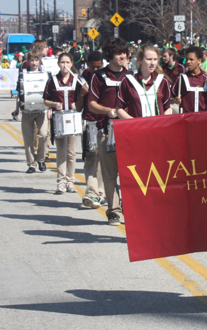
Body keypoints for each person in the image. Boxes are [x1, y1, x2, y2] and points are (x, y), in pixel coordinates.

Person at [89, 37, 129, 225]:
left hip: (128, 131)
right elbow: (91, 104)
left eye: (124, 53)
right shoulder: (98, 76)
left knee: (130, 173)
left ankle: (130, 208)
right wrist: (108, 111)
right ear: (110, 56)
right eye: (118, 53)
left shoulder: (131, 76)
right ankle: (113, 210)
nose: (123, 56)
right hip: (106, 130)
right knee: (110, 173)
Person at [42, 53, 79, 194]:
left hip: (73, 119)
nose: (65, 65)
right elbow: (45, 100)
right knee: (61, 150)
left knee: (71, 152)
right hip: (59, 119)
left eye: (67, 62)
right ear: (58, 64)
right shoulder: (52, 80)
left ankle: (71, 181)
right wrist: (54, 104)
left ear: (71, 64)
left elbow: (83, 99)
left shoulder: (76, 80)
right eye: (62, 62)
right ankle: (61, 181)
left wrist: (77, 104)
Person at [75, 50, 106, 209]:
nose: (97, 70)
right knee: (90, 158)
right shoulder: (81, 80)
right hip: (89, 122)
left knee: (102, 160)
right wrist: (82, 94)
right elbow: (78, 107)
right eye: (94, 67)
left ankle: (100, 193)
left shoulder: (104, 77)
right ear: (88, 65)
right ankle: (92, 192)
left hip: (103, 123)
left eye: (100, 66)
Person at [116, 45, 171, 118]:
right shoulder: (128, 81)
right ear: (140, 60)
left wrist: (164, 122)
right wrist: (134, 122)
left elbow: (167, 108)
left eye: (155, 59)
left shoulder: (162, 81)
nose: (152, 63)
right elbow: (119, 109)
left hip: (158, 127)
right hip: (137, 128)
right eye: (149, 59)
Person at [19, 51, 49, 173]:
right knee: (28, 139)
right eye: (32, 60)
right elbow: (20, 91)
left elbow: (48, 92)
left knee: (43, 134)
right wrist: (17, 108)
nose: (34, 63)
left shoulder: (45, 75)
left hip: (41, 111)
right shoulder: (23, 75)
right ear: (28, 61)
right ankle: (31, 164)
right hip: (27, 111)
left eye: (36, 60)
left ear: (39, 61)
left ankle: (41, 159)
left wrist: (49, 109)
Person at [171, 46, 207, 113]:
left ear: (199, 60)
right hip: (186, 119)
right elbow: (169, 99)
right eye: (187, 59)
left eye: (191, 59)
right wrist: (175, 100)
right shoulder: (181, 78)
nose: (188, 62)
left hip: (203, 118)